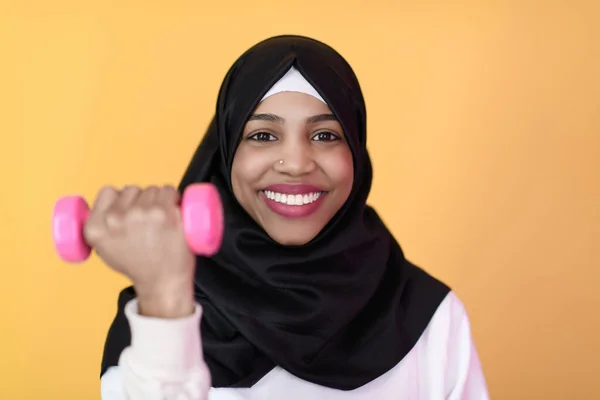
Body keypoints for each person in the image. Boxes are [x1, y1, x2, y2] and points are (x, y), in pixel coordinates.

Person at [91, 35, 490, 399]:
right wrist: (164, 295)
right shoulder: (157, 316)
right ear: (226, 154)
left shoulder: (430, 317)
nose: (297, 164)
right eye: (263, 135)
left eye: (325, 135)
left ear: (356, 152)